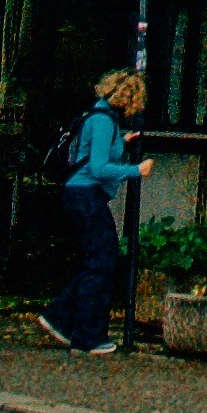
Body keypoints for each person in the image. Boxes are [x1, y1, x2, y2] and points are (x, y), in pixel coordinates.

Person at [49, 69, 141, 356]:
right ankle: (84, 333)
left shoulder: (99, 118)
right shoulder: (103, 122)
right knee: (101, 260)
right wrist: (135, 170)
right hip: (86, 194)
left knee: (98, 258)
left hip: (79, 193)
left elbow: (92, 154)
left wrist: (122, 143)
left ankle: (63, 317)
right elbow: (98, 167)